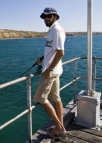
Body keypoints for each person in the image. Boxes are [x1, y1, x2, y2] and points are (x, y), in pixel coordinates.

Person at [33, 7, 67, 137]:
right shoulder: (52, 30)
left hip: (51, 72)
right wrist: (42, 58)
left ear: (55, 17)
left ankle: (60, 128)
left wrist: (48, 69)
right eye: (44, 17)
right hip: (54, 70)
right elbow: (53, 50)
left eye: (49, 16)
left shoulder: (57, 30)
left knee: (41, 98)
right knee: (56, 98)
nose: (46, 19)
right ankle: (61, 126)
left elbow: (60, 53)